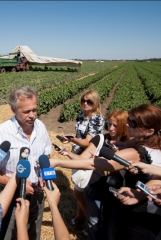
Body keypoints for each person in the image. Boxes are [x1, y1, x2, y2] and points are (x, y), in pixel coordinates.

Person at [50, 104, 161, 240]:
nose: (127, 125)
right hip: (155, 209)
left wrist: (57, 162)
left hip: (141, 211)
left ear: (149, 131)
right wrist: (125, 145)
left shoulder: (136, 152)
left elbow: (93, 163)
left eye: (132, 123)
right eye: (128, 120)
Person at [0, 86, 52, 240]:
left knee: (33, 232)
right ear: (13, 110)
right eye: (26, 111)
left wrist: (42, 176)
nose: (32, 115)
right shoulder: (0, 133)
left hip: (38, 195)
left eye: (34, 110)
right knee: (8, 234)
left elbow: (46, 153)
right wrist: (17, 184)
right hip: (11, 197)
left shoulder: (41, 127)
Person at [58, 109, 131, 239]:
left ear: (124, 126)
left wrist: (110, 162)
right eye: (110, 124)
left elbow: (128, 173)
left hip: (115, 193)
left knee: (111, 226)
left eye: (115, 125)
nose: (111, 128)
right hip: (94, 188)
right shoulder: (100, 139)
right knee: (93, 223)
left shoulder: (129, 146)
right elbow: (82, 160)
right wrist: (67, 153)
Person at [59, 90, 105, 228]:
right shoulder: (82, 115)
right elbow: (80, 136)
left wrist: (73, 139)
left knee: (79, 193)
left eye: (89, 101)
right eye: (83, 100)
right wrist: (70, 140)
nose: (85, 103)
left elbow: (87, 142)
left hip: (87, 157)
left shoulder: (97, 118)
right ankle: (81, 218)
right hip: (76, 155)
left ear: (95, 103)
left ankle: (95, 224)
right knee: (80, 190)